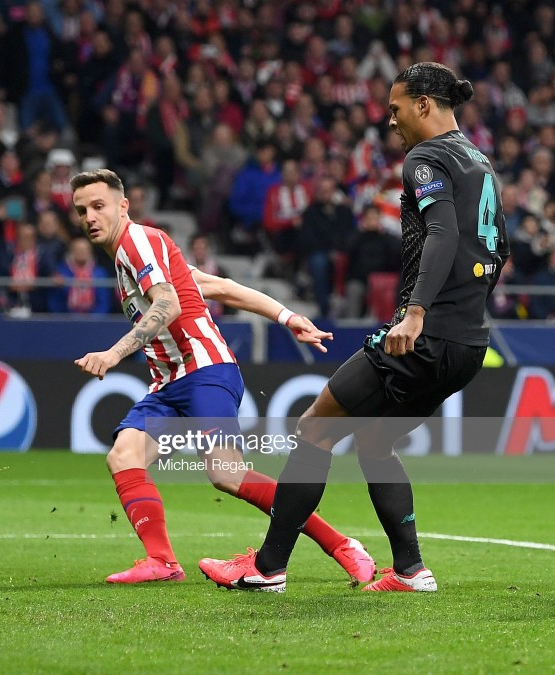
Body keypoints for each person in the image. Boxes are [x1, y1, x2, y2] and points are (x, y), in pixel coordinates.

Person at [199, 62, 509, 593]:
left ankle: (268, 566)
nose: (390, 121)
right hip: (468, 341)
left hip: (426, 333)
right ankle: (410, 571)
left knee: (315, 426)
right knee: (373, 441)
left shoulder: (426, 158)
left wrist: (415, 312)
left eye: (395, 109)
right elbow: (496, 249)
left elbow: (440, 234)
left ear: (424, 105)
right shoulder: (480, 162)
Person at [70, 169, 376, 585]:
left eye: (98, 205)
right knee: (124, 456)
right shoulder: (139, 254)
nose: (89, 216)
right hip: (168, 383)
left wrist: (113, 353)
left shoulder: (137, 241)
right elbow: (219, 286)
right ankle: (161, 562)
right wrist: (287, 316)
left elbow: (169, 305)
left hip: (204, 369)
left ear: (123, 206)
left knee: (226, 473)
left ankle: (342, 545)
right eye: (81, 209)